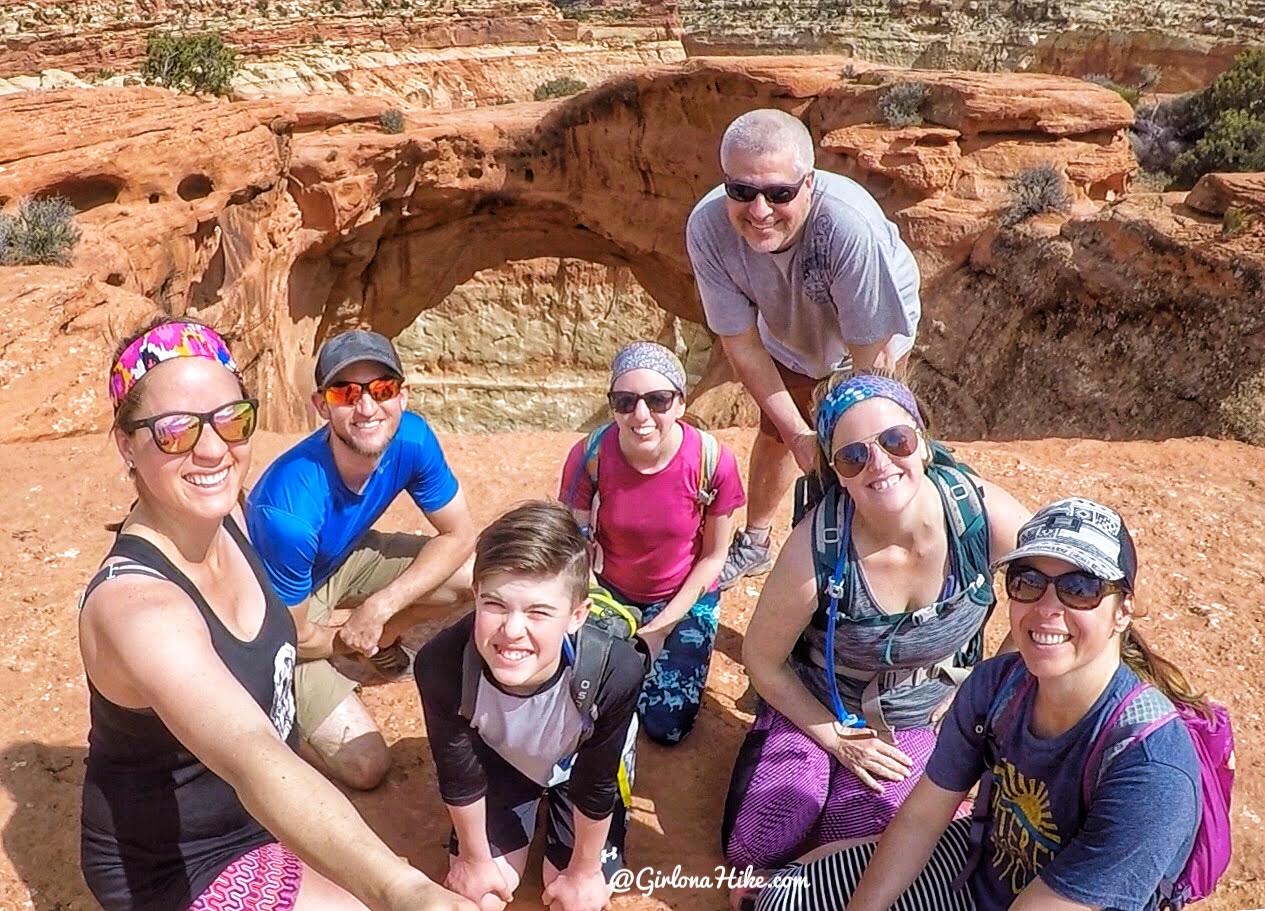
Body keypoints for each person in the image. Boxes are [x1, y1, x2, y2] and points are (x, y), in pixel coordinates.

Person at [79, 317, 474, 911]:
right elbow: (255, 757)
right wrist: (405, 888)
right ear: (126, 443)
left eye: (231, 420)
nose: (212, 449)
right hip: (186, 860)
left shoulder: (228, 517)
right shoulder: (139, 610)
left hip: (257, 820)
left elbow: (459, 531)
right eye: (174, 431)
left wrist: (377, 616)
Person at [754, 497, 1205, 911]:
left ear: (1123, 608)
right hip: (976, 869)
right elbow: (922, 817)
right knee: (784, 901)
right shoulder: (998, 686)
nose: (1047, 607)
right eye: (1028, 581)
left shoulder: (1151, 771)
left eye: (1080, 587)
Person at [723, 370, 1031, 874]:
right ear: (838, 473)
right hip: (821, 700)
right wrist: (835, 740)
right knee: (771, 834)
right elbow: (762, 658)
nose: (879, 463)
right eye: (853, 456)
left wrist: (977, 690)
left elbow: (1047, 601)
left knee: (866, 838)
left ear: (924, 444)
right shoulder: (817, 546)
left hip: (914, 712)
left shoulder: (980, 516)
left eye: (896, 440)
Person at [686, 108, 923, 589]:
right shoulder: (708, 228)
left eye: (779, 193)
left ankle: (889, 539)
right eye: (741, 191)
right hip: (789, 331)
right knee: (777, 432)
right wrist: (799, 435)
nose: (759, 210)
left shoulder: (846, 226)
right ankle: (754, 542)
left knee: (875, 438)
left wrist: (844, 438)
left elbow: (869, 363)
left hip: (869, 334)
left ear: (809, 183)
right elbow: (742, 344)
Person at [246, 329, 476, 790]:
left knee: (477, 576)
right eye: (346, 393)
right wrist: (344, 641)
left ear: (402, 395)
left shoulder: (411, 438)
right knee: (367, 766)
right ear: (321, 405)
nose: (367, 408)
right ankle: (268, 709)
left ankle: (367, 647)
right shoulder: (290, 509)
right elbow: (287, 634)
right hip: (273, 611)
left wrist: (380, 610)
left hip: (341, 559)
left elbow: (460, 533)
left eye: (382, 390)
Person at [415, 501, 649, 911]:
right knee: (482, 894)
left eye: (539, 612)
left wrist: (583, 871)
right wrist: (474, 859)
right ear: (475, 596)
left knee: (575, 900)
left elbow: (596, 783)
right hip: (503, 760)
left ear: (577, 616)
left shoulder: (617, 670)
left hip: (577, 764)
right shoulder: (442, 664)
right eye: (495, 605)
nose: (512, 630)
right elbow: (459, 774)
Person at [559, 340, 746, 744]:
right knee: (584, 699)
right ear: (612, 406)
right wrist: (592, 596)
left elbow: (714, 557)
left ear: (679, 403)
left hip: (684, 595)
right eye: (625, 402)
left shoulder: (712, 460)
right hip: (608, 592)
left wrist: (662, 627)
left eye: (657, 400)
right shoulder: (590, 454)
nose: (641, 416)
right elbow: (572, 541)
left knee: (666, 725)